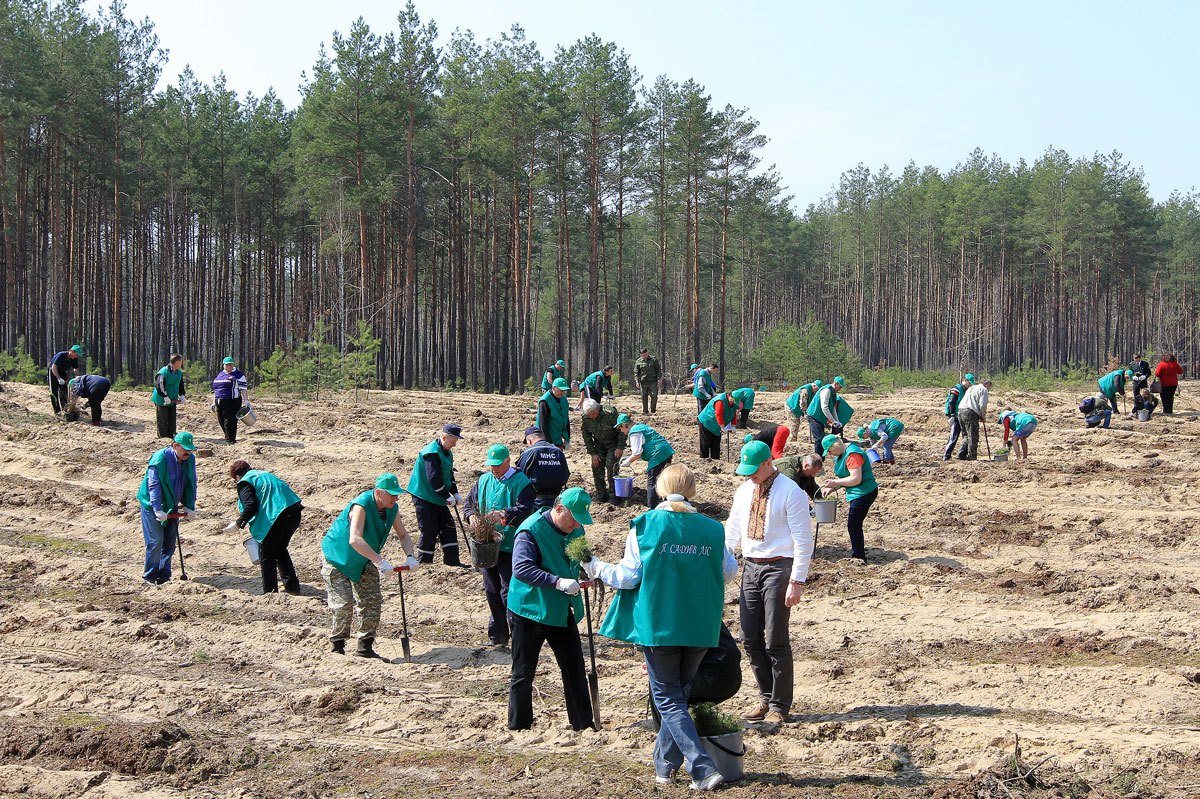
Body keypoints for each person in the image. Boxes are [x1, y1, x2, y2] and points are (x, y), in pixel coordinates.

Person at [583, 464, 737, 791]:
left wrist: (595, 566)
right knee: (678, 693)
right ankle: (664, 767)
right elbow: (728, 571)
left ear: (661, 490)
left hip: (660, 623)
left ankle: (702, 767)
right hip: (700, 623)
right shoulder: (712, 528)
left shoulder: (645, 525)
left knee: (667, 696)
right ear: (692, 489)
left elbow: (628, 576)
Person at [724, 440, 813, 725]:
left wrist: (797, 580)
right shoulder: (743, 490)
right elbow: (732, 529)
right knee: (749, 637)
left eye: (754, 469)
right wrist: (723, 561)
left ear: (768, 463)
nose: (749, 475)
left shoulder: (792, 492)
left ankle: (779, 705)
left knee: (776, 638)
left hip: (779, 568)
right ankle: (765, 696)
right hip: (751, 566)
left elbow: (803, 540)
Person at [506, 487, 596, 732]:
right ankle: (519, 726)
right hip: (530, 609)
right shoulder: (530, 530)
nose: (577, 526)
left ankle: (583, 724)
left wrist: (586, 570)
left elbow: (578, 556)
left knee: (575, 668)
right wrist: (557, 581)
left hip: (562, 609)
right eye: (574, 519)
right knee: (523, 672)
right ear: (558, 509)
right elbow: (522, 568)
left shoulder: (576, 529)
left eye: (581, 521)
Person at [320, 473, 418, 659]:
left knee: (372, 601)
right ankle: (337, 648)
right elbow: (355, 539)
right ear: (379, 493)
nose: (396, 498)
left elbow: (403, 535)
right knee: (344, 603)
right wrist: (380, 561)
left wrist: (410, 556)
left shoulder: (392, 509)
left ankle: (365, 648)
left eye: (397, 494)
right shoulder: (361, 505)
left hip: (364, 558)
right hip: (337, 558)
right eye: (392, 494)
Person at [463, 444, 536, 647]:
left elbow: (526, 509)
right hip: (487, 545)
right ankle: (498, 636)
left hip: (511, 546)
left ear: (507, 462)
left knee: (508, 590)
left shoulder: (522, 483)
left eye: (497, 465)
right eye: (491, 465)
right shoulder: (483, 480)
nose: (493, 469)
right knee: (491, 590)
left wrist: (504, 514)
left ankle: (518, 633)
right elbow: (469, 504)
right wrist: (471, 517)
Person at [222, 460, 303, 594]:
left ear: (237, 476)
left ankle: (270, 592)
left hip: (277, 515)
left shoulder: (245, 482)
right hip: (294, 512)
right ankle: (292, 587)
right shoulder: (264, 475)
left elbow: (250, 506)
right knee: (280, 549)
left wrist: (238, 524)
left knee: (266, 554)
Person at [136, 431, 199, 584]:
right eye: (185, 449)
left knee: (170, 543)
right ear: (175, 446)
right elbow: (154, 485)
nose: (188, 452)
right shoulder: (160, 459)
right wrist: (157, 508)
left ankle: (164, 575)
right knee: (156, 541)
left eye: (190, 449)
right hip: (152, 505)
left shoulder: (189, 459)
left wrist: (190, 506)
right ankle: (150, 575)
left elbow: (191, 482)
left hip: (172, 504)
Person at [405, 424, 468, 567]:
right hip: (424, 495)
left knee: (448, 526)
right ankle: (425, 563)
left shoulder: (447, 452)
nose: (454, 445)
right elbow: (433, 478)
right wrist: (447, 496)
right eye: (453, 442)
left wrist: (455, 492)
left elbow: (448, 474)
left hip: (437, 496)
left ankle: (452, 562)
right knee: (429, 529)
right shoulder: (431, 452)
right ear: (444, 437)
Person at [821, 435, 878, 563]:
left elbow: (855, 479)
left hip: (864, 492)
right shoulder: (842, 453)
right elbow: (847, 477)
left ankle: (859, 557)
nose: (829, 454)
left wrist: (835, 482)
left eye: (829, 451)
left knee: (854, 525)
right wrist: (832, 488)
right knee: (854, 524)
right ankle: (858, 554)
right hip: (857, 492)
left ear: (834, 446)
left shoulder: (852, 455)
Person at [617, 414, 676, 509]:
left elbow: (637, 454)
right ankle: (669, 502)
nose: (621, 431)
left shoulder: (634, 433)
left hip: (658, 454)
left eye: (620, 428)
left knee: (651, 482)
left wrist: (628, 462)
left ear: (624, 425)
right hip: (666, 451)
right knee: (665, 479)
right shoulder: (641, 427)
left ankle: (652, 507)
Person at [580, 398, 627, 502]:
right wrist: (593, 454)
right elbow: (586, 436)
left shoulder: (610, 413)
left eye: (593, 414)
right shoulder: (586, 417)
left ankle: (614, 495)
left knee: (611, 467)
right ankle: (601, 494)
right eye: (589, 415)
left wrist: (620, 447)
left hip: (613, 445)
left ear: (598, 408)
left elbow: (622, 430)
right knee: (596, 466)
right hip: (599, 446)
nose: (592, 416)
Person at [515, 426, 570, 510]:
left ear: (529, 441)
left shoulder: (528, 452)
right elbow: (566, 473)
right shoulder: (558, 451)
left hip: (535, 500)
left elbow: (519, 476)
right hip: (557, 500)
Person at [805, 376, 850, 456]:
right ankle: (817, 458)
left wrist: (837, 421)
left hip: (820, 418)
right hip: (814, 415)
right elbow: (824, 407)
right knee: (819, 439)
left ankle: (821, 457)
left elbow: (832, 409)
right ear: (836, 384)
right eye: (840, 387)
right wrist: (833, 421)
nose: (840, 389)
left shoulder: (833, 393)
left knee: (821, 438)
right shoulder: (826, 391)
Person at [211, 357, 250, 444]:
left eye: (231, 364)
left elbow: (243, 388)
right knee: (221, 421)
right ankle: (228, 436)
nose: (229, 366)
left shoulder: (238, 374)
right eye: (227, 365)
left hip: (232, 401)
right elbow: (217, 389)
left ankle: (230, 440)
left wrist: (246, 400)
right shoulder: (220, 374)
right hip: (219, 401)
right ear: (223, 365)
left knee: (229, 421)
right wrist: (214, 401)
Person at [697, 390, 742, 460]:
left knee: (716, 443)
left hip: (717, 425)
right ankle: (704, 459)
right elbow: (718, 414)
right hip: (707, 421)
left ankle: (715, 459)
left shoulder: (734, 402)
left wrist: (733, 426)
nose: (733, 403)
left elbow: (733, 413)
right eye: (732, 400)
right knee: (705, 442)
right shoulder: (720, 400)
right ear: (729, 396)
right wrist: (722, 427)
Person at [150, 354, 188, 439]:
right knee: (162, 419)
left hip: (172, 399)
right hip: (162, 399)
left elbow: (180, 384)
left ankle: (171, 435)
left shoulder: (178, 373)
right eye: (181, 361)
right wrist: (165, 396)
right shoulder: (163, 372)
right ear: (177, 362)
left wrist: (182, 395)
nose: (182, 363)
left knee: (172, 419)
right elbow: (160, 385)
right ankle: (162, 437)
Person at [956, 379, 992, 460]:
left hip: (960, 411)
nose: (989, 390)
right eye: (990, 388)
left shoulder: (972, 388)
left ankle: (961, 455)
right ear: (987, 385)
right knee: (973, 436)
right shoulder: (984, 390)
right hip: (970, 412)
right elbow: (982, 405)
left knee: (966, 435)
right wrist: (982, 416)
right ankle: (972, 457)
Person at [942, 373, 974, 461]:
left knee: (965, 435)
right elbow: (951, 402)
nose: (970, 385)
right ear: (964, 380)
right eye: (969, 383)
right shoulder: (956, 389)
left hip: (961, 415)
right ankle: (946, 456)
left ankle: (962, 455)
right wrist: (951, 415)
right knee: (954, 436)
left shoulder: (965, 390)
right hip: (954, 415)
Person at [47, 344, 84, 415]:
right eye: (76, 354)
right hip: (53, 372)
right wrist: (59, 378)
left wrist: (78, 377)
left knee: (64, 392)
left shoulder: (75, 358)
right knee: (53, 392)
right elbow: (53, 367)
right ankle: (57, 411)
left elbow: (75, 368)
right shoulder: (61, 355)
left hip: (62, 372)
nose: (77, 356)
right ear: (72, 352)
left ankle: (65, 410)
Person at [536, 377, 571, 449]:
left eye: (564, 390)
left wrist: (567, 438)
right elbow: (543, 424)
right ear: (554, 388)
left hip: (558, 439)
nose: (563, 392)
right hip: (546, 440)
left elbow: (566, 419)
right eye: (561, 390)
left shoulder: (563, 400)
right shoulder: (545, 401)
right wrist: (549, 444)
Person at [634, 348, 661, 415]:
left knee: (654, 396)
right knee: (644, 396)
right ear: (641, 355)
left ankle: (653, 410)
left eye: (645, 354)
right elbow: (636, 372)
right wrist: (637, 381)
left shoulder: (653, 359)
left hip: (653, 381)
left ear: (647, 353)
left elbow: (658, 370)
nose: (644, 356)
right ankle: (645, 411)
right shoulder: (638, 361)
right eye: (643, 355)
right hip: (643, 382)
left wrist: (659, 379)